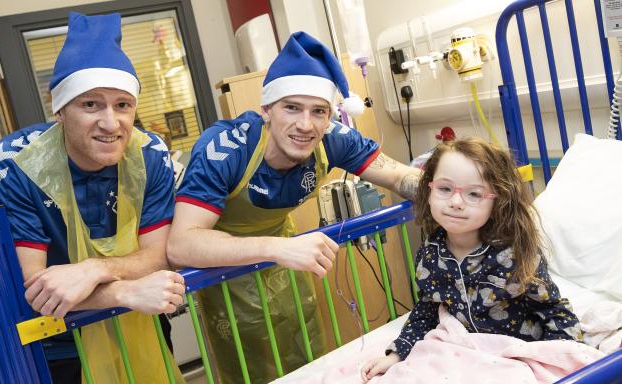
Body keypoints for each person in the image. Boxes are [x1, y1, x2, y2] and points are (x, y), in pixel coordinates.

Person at [167, 31, 421, 383]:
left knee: (306, 355)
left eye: (319, 111)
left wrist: (451, 186)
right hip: (226, 269)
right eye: (291, 108)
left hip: (287, 259)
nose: (306, 125)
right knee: (251, 368)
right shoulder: (225, 150)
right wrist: (278, 248)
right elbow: (182, 243)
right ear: (266, 110)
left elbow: (397, 175)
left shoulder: (332, 137)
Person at [0, 12, 185, 384]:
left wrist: (94, 269)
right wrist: (124, 290)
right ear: (59, 110)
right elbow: (35, 284)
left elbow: (158, 255)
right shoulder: (15, 164)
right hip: (58, 338)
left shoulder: (151, 154)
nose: (111, 123)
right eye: (90, 104)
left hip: (138, 320)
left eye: (123, 105)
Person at [360, 137, 582, 383]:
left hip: (517, 354)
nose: (455, 202)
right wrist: (398, 353)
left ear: (497, 200)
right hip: (465, 357)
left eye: (474, 194)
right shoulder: (430, 254)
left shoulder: (513, 255)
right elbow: (426, 310)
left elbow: (552, 309)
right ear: (429, 189)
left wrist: (565, 359)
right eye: (445, 189)